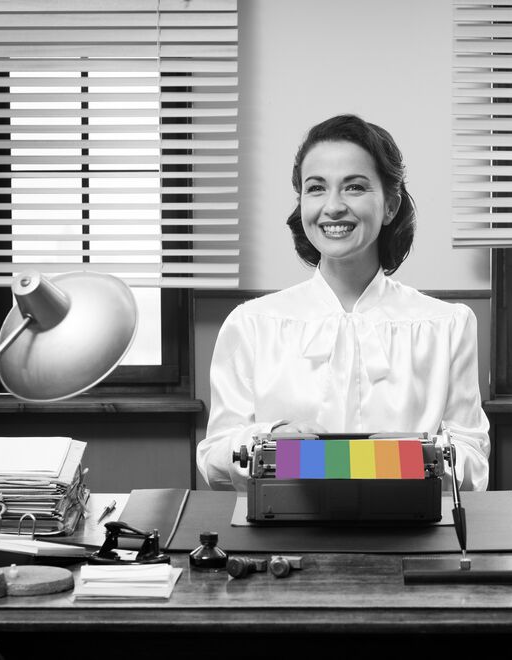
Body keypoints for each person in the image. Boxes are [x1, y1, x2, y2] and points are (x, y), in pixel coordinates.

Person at [197, 114, 490, 492]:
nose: (333, 206)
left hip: (413, 537)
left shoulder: (448, 324)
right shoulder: (251, 324)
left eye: (354, 187)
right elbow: (215, 459)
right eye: (316, 188)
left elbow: (474, 461)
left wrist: (414, 457)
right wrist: (272, 441)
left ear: (389, 206)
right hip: (281, 541)